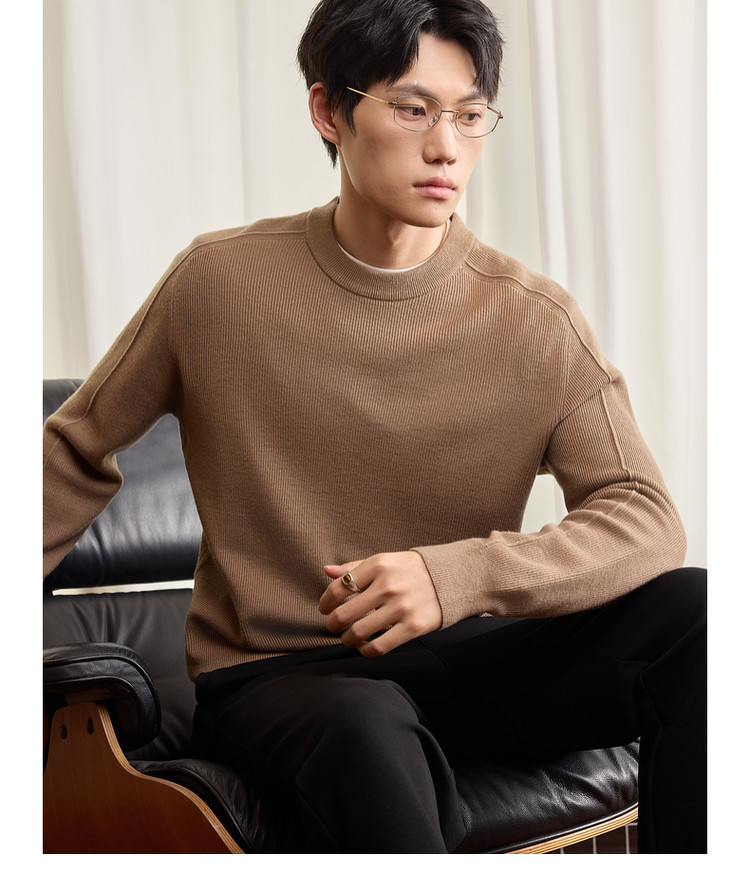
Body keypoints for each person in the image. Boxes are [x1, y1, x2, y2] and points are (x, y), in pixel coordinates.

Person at [43, 0, 706, 853]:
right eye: (413, 109)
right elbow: (74, 450)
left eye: (470, 115)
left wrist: (455, 576)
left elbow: (645, 518)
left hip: (467, 659)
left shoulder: (537, 320)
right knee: (367, 727)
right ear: (329, 111)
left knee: (703, 616)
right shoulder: (218, 284)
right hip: (281, 678)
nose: (447, 148)